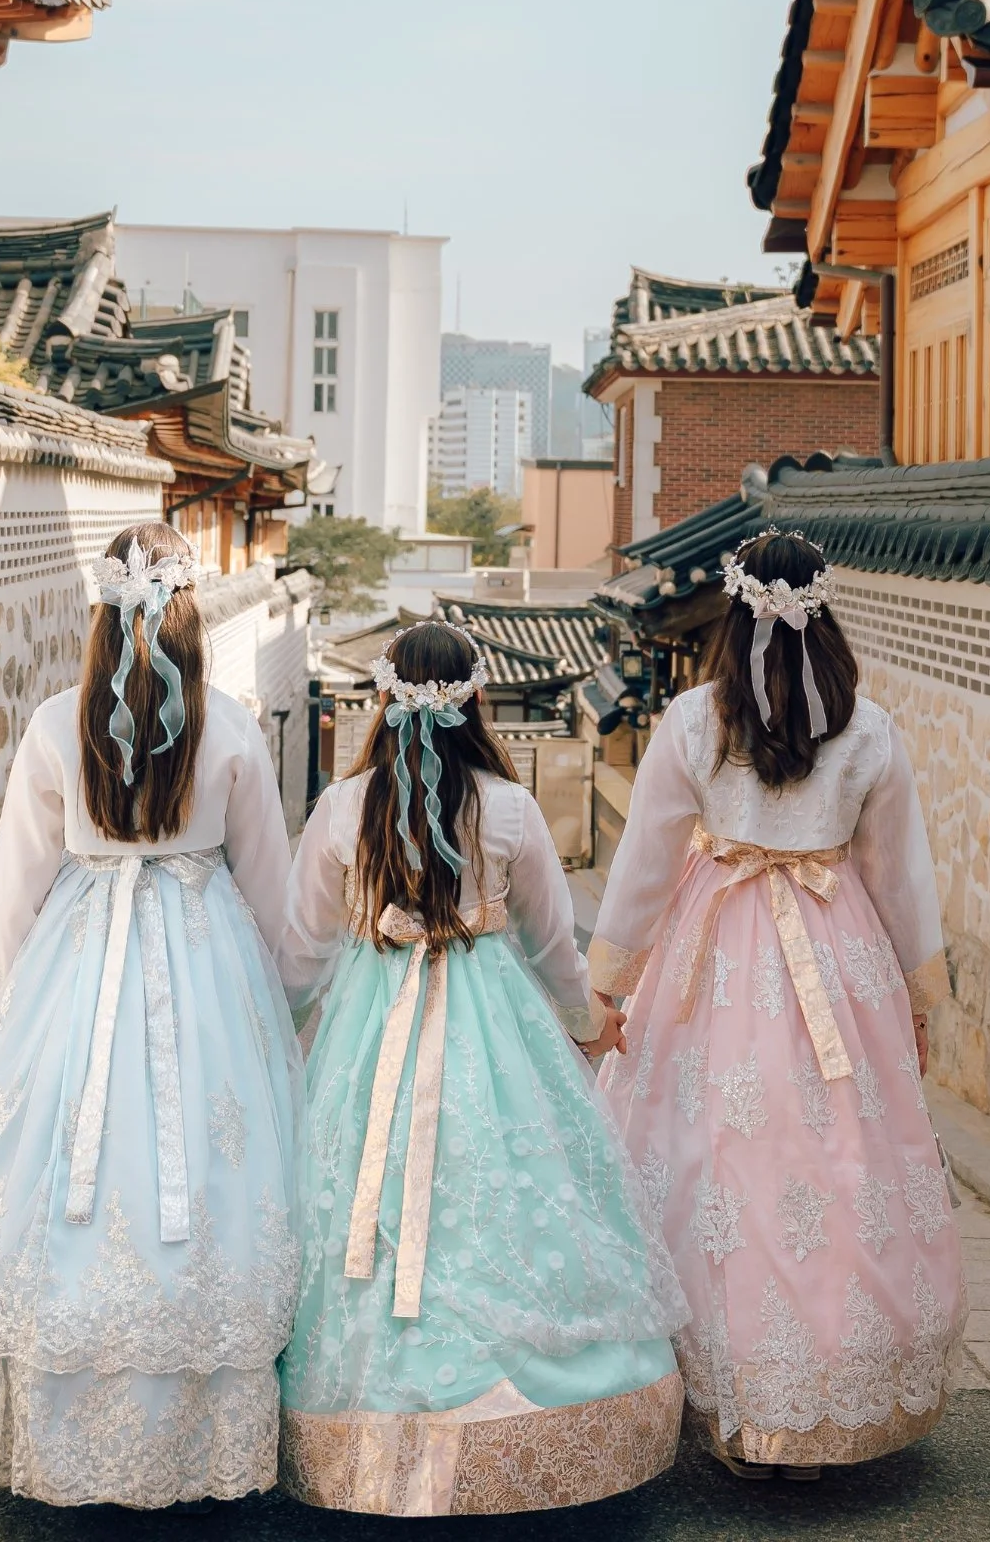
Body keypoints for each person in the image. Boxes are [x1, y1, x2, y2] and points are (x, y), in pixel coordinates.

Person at [0, 522, 303, 1509]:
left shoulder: (51, 725)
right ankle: (190, 1423)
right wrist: (289, 1001)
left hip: (78, 958)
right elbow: (270, 887)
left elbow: (17, 882)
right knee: (205, 1172)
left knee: (52, 1164)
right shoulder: (233, 727)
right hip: (206, 956)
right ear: (192, 616)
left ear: (102, 618)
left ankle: (55, 1419)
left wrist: (1, 1007)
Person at [276, 621, 688, 1518]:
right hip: (493, 1023)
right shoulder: (508, 805)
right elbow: (550, 943)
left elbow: (304, 947)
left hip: (368, 1027)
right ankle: (515, 1426)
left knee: (367, 1198)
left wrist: (285, 1028)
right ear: (475, 701)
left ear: (382, 699)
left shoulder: (345, 808)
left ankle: (369, 1432)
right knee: (503, 1186)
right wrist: (586, 1025)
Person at [590, 529, 965, 1479]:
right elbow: (899, 877)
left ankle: (731, 1397)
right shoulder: (868, 726)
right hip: (837, 958)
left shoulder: (691, 722)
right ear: (824, 610)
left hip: (711, 949)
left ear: (731, 615)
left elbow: (641, 863)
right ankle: (819, 1394)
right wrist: (919, 994)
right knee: (835, 1163)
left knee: (715, 1158)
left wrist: (608, 980)